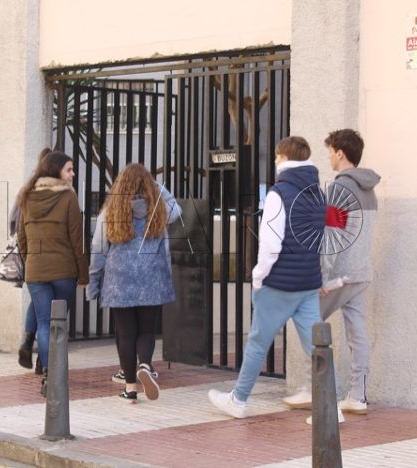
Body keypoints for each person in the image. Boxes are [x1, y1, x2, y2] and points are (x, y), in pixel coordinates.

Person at [208, 137, 344, 424]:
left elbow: (270, 244)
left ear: (283, 158)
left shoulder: (278, 194)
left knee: (258, 343)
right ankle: (332, 408)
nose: (274, 162)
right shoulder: (317, 194)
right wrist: (319, 275)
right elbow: (322, 238)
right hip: (308, 283)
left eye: (276, 157)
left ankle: (238, 400)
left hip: (279, 283)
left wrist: (258, 277)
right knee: (317, 347)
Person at [87, 163, 181, 403]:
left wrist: (93, 282)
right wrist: (155, 186)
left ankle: (130, 388)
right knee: (147, 330)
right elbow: (177, 209)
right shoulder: (158, 209)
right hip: (152, 277)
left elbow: (98, 249)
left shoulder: (111, 210)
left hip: (119, 279)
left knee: (126, 333)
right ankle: (145, 365)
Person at [17, 151, 88, 396]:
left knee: (44, 324)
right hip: (64, 271)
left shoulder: (27, 195)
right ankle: (52, 373)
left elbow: (21, 237)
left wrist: (31, 261)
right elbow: (77, 240)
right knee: (58, 325)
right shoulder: (68, 197)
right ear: (55, 170)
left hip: (36, 270)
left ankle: (48, 376)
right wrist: (83, 275)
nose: (73, 174)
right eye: (69, 169)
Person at [320, 129, 380, 414]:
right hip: (360, 272)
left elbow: (332, 236)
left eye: (330, 152)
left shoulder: (339, 189)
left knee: (306, 319)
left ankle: (320, 395)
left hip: (339, 275)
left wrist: (322, 276)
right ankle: (357, 395)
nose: (329, 157)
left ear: (340, 153)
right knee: (357, 334)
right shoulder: (370, 190)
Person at [12, 147, 51, 375]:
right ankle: (43, 362)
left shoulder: (26, 189)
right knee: (49, 312)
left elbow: (14, 222)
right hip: (54, 258)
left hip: (33, 255)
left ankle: (28, 341)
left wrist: (27, 253)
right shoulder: (62, 191)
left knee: (38, 302)